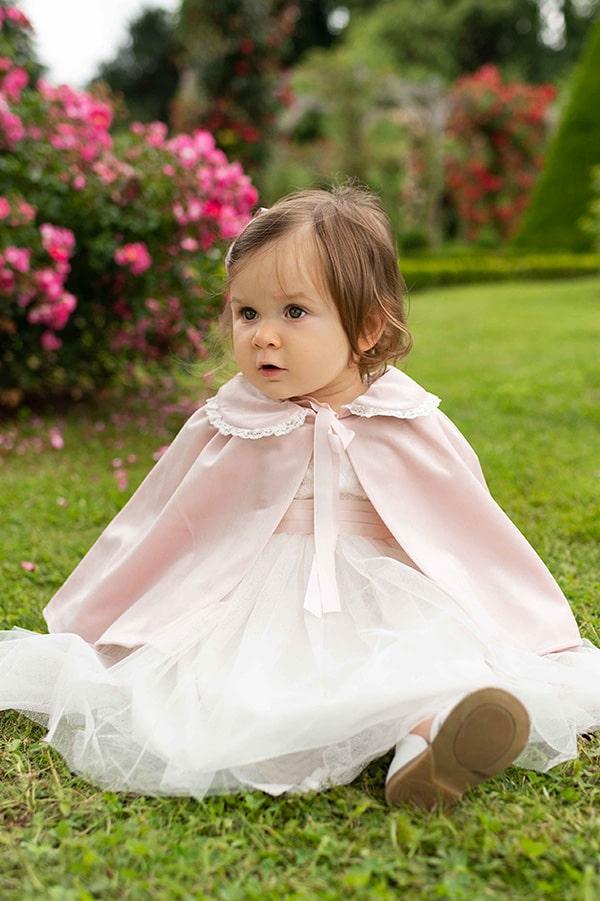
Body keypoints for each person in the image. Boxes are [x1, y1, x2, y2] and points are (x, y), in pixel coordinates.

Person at [0, 185, 598, 809]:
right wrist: (103, 613)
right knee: (236, 688)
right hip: (253, 595)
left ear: (365, 327)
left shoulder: (403, 416)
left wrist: (518, 614)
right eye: (247, 313)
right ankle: (377, 732)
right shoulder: (229, 420)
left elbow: (466, 525)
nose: (262, 336)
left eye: (293, 312)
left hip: (385, 594)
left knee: (429, 661)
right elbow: (165, 522)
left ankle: (429, 743)